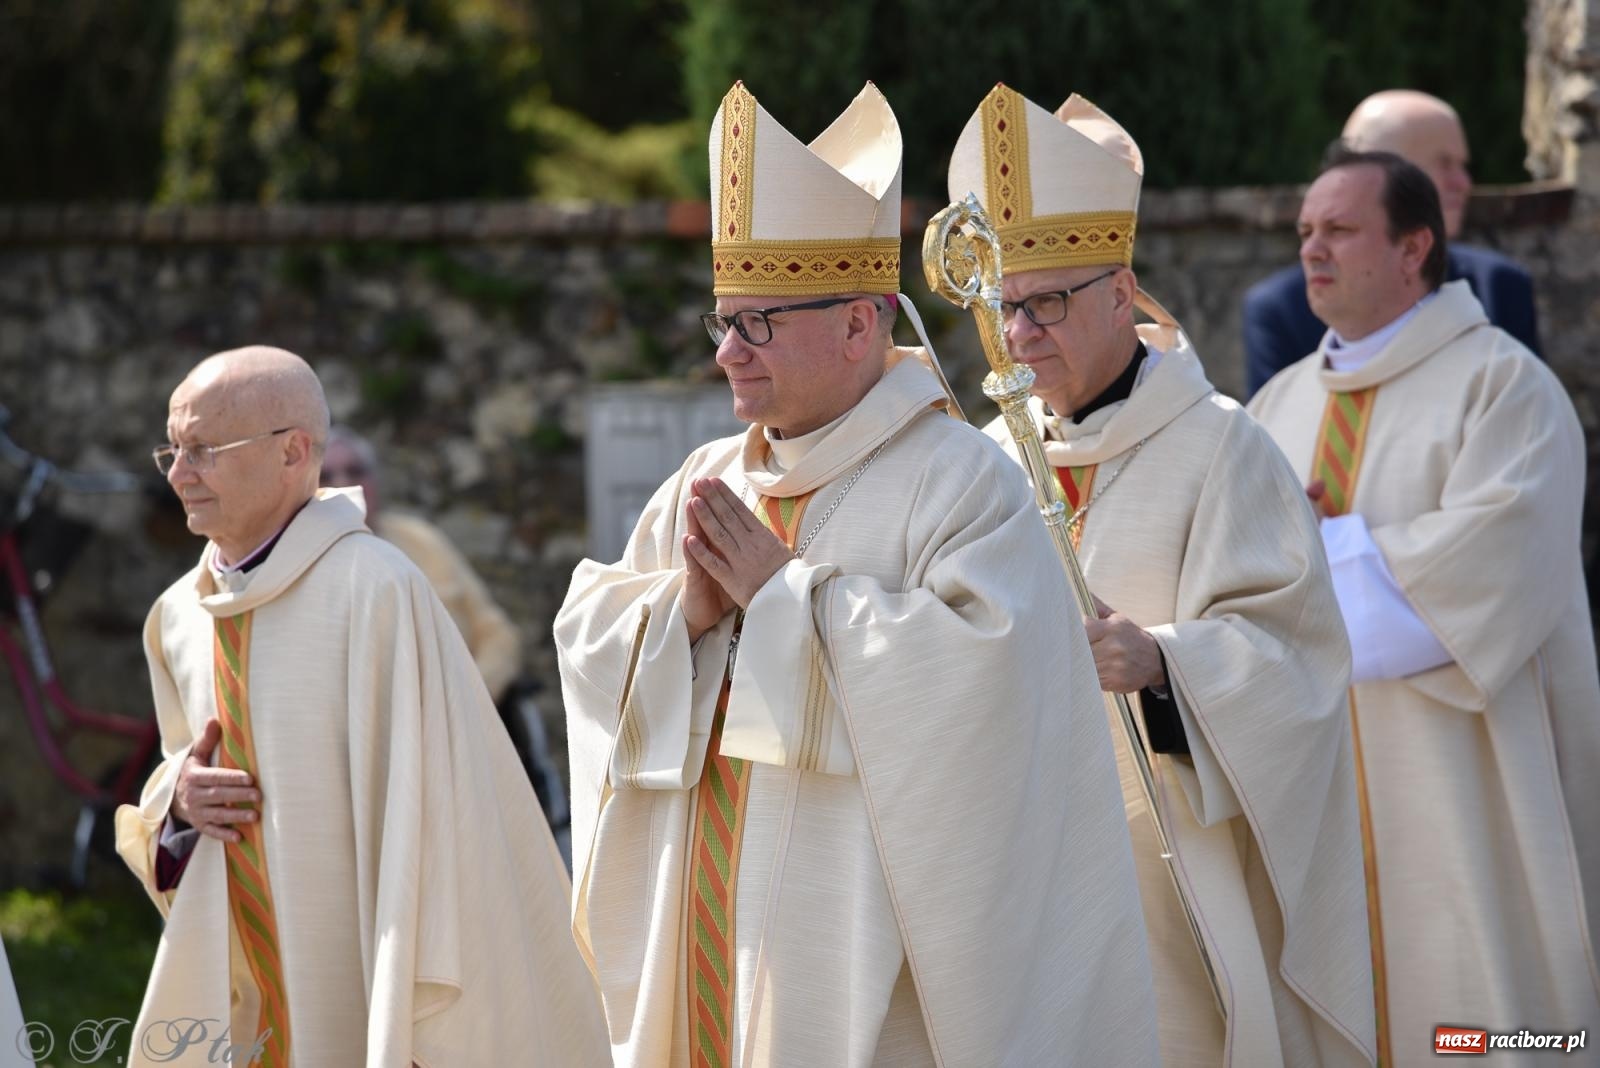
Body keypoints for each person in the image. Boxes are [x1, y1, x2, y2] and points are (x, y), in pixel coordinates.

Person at [555, 81, 1157, 1067]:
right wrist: (685, 613)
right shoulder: (702, 482)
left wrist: (784, 602)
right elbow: (590, 647)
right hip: (705, 931)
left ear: (858, 322)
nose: (725, 356)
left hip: (862, 955)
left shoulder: (961, 483)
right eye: (722, 322)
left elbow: (988, 698)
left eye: (757, 324)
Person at [948, 84, 1375, 1067]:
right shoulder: (986, 461)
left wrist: (1162, 661)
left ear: (1117, 291)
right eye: (1005, 309)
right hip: (1019, 860)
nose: (1019, 336)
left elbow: (1300, 659)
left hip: (1172, 873)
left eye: (1046, 304)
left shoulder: (1222, 448)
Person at [115, 346, 606, 1067]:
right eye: (174, 450)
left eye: (203, 451)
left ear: (294, 452)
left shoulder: (377, 589)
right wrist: (179, 802)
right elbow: (177, 770)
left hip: (356, 965)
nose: (180, 476)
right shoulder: (178, 615)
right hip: (242, 974)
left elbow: (444, 811)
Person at [1248, 149, 1600, 1066]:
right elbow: (1229, 602)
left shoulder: (1508, 391)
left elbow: (1468, 590)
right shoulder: (1274, 408)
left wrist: (1308, 560)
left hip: (1460, 799)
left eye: (1340, 230)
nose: (1312, 251)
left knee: (1478, 1032)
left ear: (1415, 247)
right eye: (1305, 233)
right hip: (1315, 801)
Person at [319, 426, 570, 861]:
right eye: (327, 475)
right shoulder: (310, 567)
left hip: (467, 728)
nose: (345, 485)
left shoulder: (419, 540)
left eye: (356, 470)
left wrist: (469, 694)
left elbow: (496, 632)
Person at [1242, 90, 1541, 397]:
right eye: (1444, 164)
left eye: (1462, 165)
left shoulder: (1498, 288)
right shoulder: (1283, 312)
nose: (1463, 183)